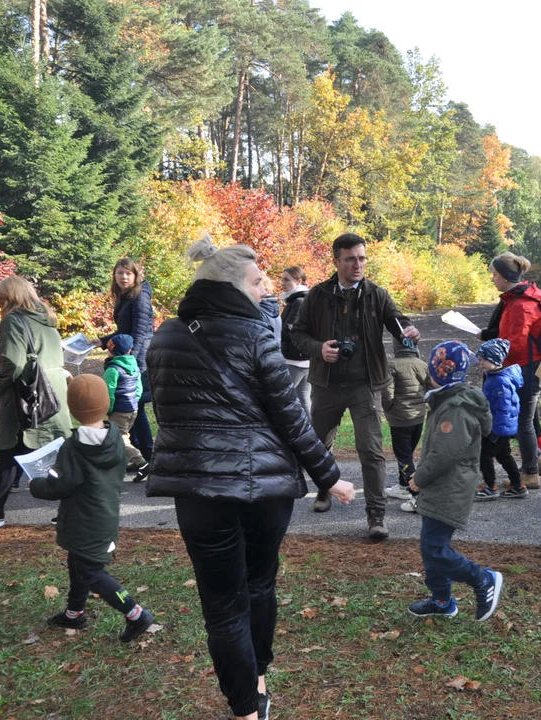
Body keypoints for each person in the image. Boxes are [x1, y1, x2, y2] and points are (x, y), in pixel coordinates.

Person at [146, 239, 354, 720]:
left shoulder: (165, 335)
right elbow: (291, 418)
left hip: (197, 491)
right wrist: (330, 477)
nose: (266, 290)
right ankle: (256, 679)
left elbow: (163, 411)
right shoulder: (256, 336)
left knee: (222, 604)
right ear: (231, 285)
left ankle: (246, 704)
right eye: (258, 282)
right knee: (257, 586)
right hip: (263, 489)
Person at [290, 232, 420, 540]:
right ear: (336, 261)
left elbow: (398, 323)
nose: (357, 264)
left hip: (365, 385)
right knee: (320, 445)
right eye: (350, 259)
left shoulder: (377, 294)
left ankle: (376, 515)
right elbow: (297, 334)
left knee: (372, 451)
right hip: (326, 383)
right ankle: (324, 488)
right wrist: (319, 348)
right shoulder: (317, 296)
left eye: (361, 258)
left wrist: (409, 331)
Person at [30, 374, 155, 642]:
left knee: (92, 572)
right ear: (107, 403)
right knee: (78, 563)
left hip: (84, 521)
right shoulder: (116, 440)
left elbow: (60, 486)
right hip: (105, 516)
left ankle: (135, 613)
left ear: (72, 409)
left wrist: (36, 484)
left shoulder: (73, 448)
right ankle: (75, 613)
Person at [406, 341, 504, 622]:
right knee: (432, 546)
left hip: (450, 487)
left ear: (439, 371)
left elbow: (445, 453)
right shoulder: (448, 400)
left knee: (434, 549)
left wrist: (419, 479)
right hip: (442, 486)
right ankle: (441, 600)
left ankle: (483, 579)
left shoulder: (456, 409)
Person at [0, 277, 72, 527]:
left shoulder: (14, 321)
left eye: (0, 299)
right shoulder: (47, 320)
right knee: (50, 454)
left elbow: (13, 364)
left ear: (9, 298)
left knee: (9, 452)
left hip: (26, 395)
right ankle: (73, 509)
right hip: (51, 394)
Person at [479, 252, 541, 489]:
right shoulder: (517, 299)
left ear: (506, 277)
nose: (493, 279)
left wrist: (492, 353)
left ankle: (530, 473)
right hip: (523, 366)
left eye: (495, 275)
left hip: (526, 367)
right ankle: (539, 460)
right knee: (527, 418)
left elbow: (515, 343)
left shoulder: (521, 304)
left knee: (523, 421)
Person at [101, 258, 154, 468]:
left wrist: (129, 361)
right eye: (120, 273)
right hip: (130, 355)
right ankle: (137, 455)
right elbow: (124, 331)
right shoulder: (125, 296)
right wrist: (103, 341)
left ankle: (147, 456)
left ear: (136, 276)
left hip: (137, 359)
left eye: (128, 274)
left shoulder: (139, 298)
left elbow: (139, 334)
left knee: (136, 407)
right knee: (130, 406)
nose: (123, 277)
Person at [382, 337, 430, 507]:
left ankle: (416, 495)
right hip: (418, 417)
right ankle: (403, 486)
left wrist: (388, 408)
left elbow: (387, 393)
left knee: (404, 458)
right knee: (408, 453)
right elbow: (430, 388)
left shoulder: (392, 365)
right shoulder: (422, 364)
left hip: (400, 419)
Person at [475, 338, 526, 500]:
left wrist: (494, 430)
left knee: (485, 455)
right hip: (502, 427)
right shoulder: (495, 377)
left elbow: (504, 408)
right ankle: (518, 485)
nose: (480, 362)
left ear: (495, 359)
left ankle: (491, 487)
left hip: (497, 429)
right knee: (504, 456)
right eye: (480, 359)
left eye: (484, 360)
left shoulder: (499, 381)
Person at [102, 333, 145, 473]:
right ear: (129, 351)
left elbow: (109, 392)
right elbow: (139, 389)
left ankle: (141, 462)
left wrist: (108, 409)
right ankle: (124, 463)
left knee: (120, 438)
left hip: (119, 410)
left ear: (111, 351)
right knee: (124, 434)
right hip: (132, 408)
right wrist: (134, 402)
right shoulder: (135, 366)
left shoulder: (112, 369)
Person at [279, 267, 311, 414]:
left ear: (299, 281)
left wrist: (272, 329)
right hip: (302, 359)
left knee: (282, 399)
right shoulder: (297, 300)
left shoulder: (299, 301)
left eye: (287, 280)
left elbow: (290, 330)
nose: (282, 283)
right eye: (282, 279)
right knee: (304, 400)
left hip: (296, 360)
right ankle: (315, 435)